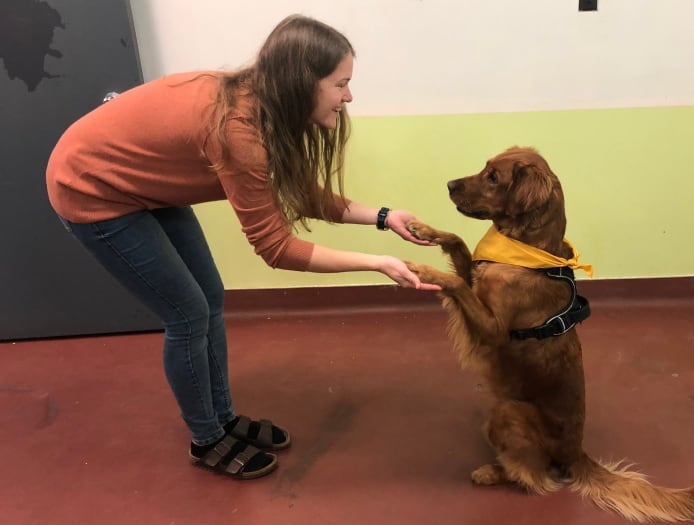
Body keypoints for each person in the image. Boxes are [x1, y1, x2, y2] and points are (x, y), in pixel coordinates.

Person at [46, 14, 439, 480]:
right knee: (187, 313)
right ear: (301, 82)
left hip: (142, 184)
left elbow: (294, 190)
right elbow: (277, 249)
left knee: (209, 297)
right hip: (92, 189)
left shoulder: (262, 105)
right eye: (341, 84)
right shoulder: (237, 130)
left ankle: (223, 418)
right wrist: (377, 263)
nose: (348, 96)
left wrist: (382, 217)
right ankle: (206, 439)